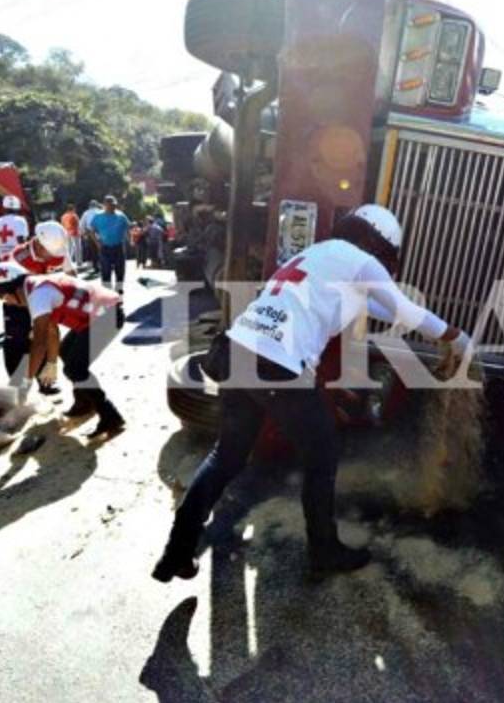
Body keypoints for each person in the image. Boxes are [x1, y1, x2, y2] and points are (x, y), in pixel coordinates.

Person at [152, 204, 472, 583]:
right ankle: (324, 550)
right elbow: (406, 310)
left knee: (226, 456)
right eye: (387, 254)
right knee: (322, 454)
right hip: (273, 364)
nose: (385, 264)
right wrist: (457, 337)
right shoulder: (358, 259)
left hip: (236, 352)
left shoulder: (318, 255)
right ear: (377, 242)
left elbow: (378, 308)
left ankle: (175, 552)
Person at [0, 260, 125, 440]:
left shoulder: (38, 296)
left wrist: (26, 381)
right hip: (96, 316)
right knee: (66, 352)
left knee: (75, 369)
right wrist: (51, 362)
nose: (7, 303)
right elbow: (51, 331)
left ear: (13, 289)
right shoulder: (36, 287)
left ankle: (110, 416)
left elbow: (39, 342)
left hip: (107, 316)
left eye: (4, 297)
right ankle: (84, 402)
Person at [1, 220, 73, 391]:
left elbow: (71, 274)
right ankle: (17, 386)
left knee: (48, 337)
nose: (54, 257)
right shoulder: (17, 259)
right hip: (17, 303)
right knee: (17, 343)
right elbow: (9, 292)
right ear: (39, 244)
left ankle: (45, 380)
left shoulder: (57, 248)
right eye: (50, 253)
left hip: (42, 299)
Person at [91, 195, 130, 296]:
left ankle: (119, 291)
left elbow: (127, 227)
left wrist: (128, 239)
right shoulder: (98, 217)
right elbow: (91, 230)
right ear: (104, 205)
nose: (112, 207)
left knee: (120, 270)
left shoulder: (121, 216)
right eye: (109, 205)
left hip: (118, 246)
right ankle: (107, 294)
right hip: (105, 247)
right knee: (105, 270)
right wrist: (97, 243)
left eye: (114, 205)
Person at [0, 194, 29, 260]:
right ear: (18, 208)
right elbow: (21, 241)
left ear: (4, 208)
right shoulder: (20, 220)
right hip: (17, 258)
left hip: (3, 258)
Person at [79, 199, 102, 274]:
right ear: (96, 205)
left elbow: (81, 225)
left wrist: (83, 234)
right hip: (101, 233)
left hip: (90, 234)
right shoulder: (100, 211)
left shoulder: (86, 213)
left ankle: (96, 267)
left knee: (94, 251)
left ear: (90, 206)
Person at [60, 202, 81, 266]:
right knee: (78, 248)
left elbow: (62, 225)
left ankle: (69, 261)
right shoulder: (74, 215)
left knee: (69, 248)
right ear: (73, 209)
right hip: (75, 233)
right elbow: (77, 225)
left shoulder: (63, 217)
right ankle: (78, 262)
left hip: (67, 233)